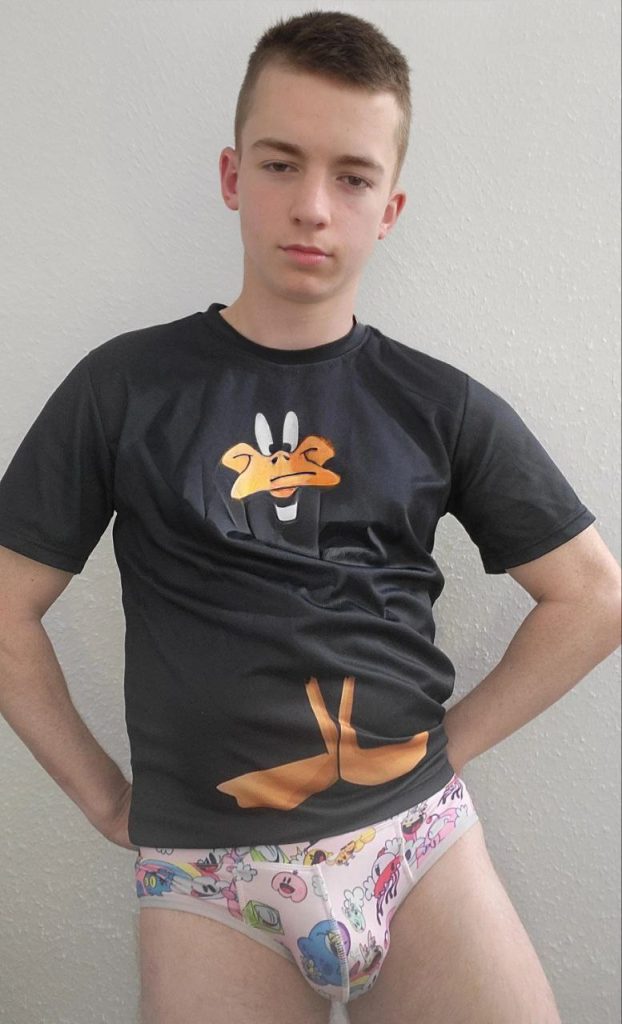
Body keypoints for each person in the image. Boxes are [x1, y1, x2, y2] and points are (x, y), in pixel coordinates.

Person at [0, 8, 620, 1024]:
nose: (313, 207)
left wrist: (452, 745)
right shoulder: (124, 389)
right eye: (281, 164)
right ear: (232, 175)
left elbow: (594, 596)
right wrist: (101, 794)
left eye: (353, 176)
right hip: (209, 874)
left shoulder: (438, 405)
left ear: (390, 207)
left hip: (416, 844)